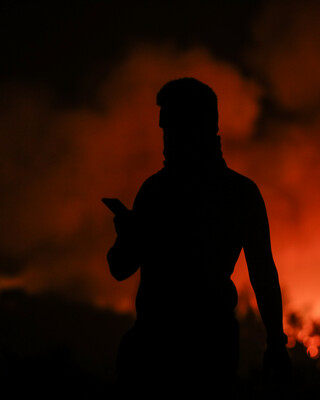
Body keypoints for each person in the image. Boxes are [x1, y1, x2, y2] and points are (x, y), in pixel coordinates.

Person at [107, 77, 291, 399]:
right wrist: (275, 344)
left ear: (200, 127)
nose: (166, 139)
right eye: (165, 129)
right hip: (203, 347)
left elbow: (121, 266)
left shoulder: (158, 191)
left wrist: (131, 234)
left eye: (172, 128)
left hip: (167, 349)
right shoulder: (239, 192)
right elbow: (263, 274)